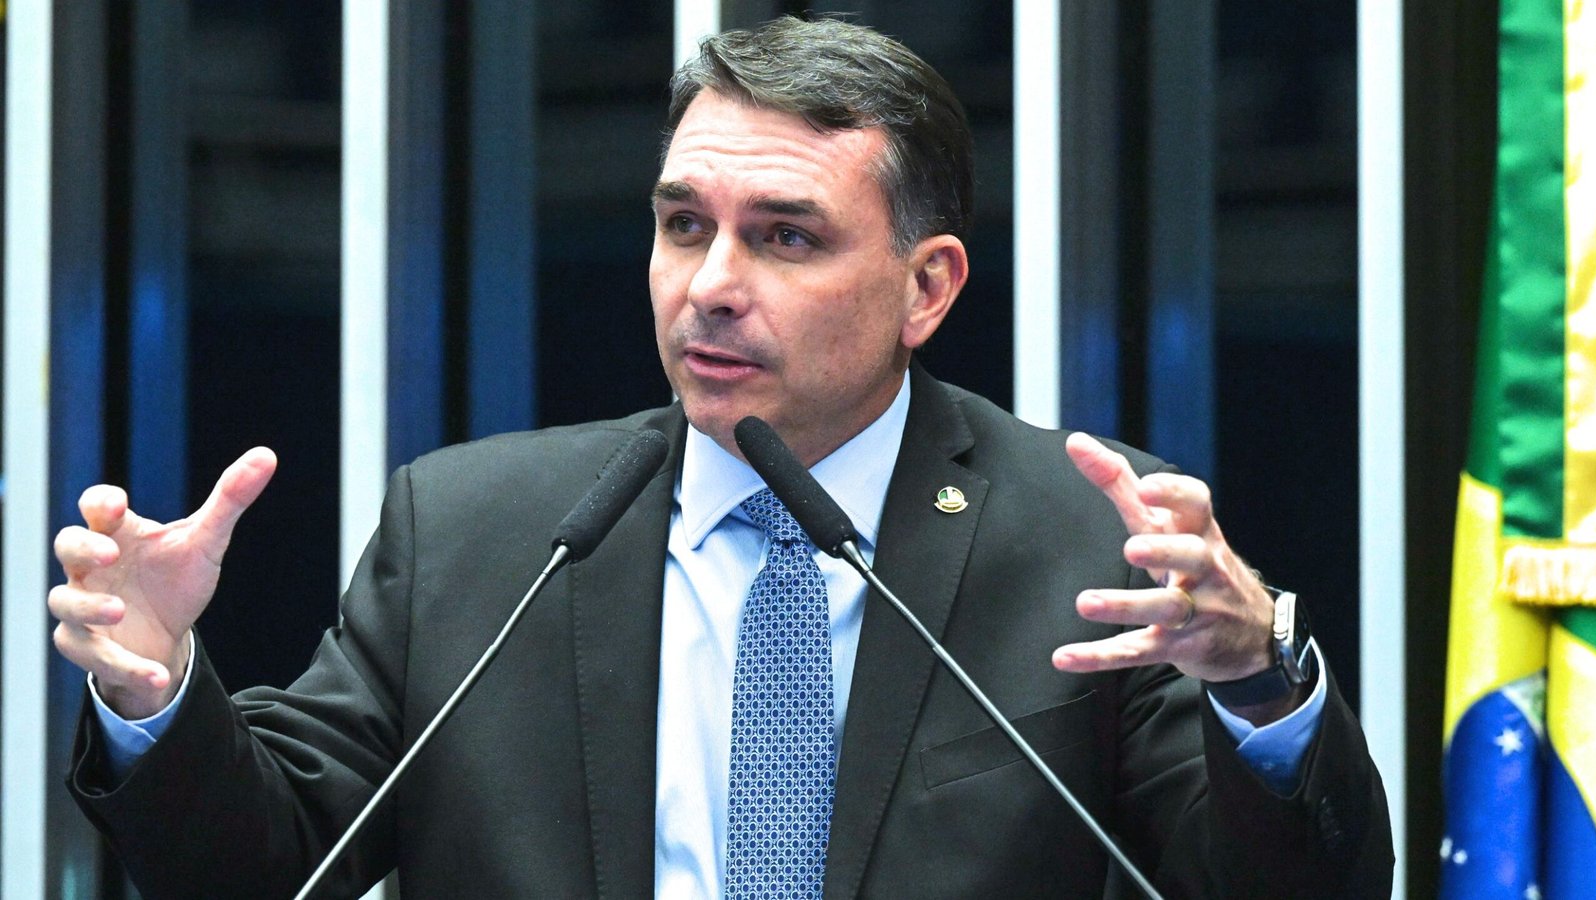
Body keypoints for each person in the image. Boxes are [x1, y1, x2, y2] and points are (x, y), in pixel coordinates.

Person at [50, 16, 1392, 899]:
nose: (711, 286)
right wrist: (157, 689)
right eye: (684, 226)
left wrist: (1258, 686)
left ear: (927, 287)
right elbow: (268, 865)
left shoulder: (1085, 540)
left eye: (786, 237)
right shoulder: (477, 534)